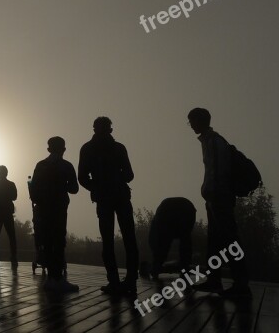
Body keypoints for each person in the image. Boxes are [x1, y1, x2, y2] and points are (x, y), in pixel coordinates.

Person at [187, 108, 251, 299]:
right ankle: (214, 280)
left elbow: (218, 171)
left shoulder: (213, 141)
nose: (190, 125)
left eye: (191, 121)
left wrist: (211, 193)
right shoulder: (211, 140)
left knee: (230, 240)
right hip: (215, 198)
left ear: (200, 120)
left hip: (219, 198)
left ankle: (241, 284)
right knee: (215, 242)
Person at [78, 116, 139, 295]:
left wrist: (96, 187)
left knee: (109, 240)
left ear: (94, 129)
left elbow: (82, 178)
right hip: (119, 196)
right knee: (128, 238)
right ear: (110, 129)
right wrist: (115, 180)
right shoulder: (118, 148)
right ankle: (130, 279)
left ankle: (115, 281)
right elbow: (129, 175)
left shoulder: (88, 149)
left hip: (105, 198)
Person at [30, 136, 80, 293]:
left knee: (46, 241)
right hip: (59, 210)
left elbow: (34, 191)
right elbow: (74, 189)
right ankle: (57, 278)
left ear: (48, 149)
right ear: (64, 149)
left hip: (44, 210)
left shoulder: (40, 165)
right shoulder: (66, 166)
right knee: (58, 242)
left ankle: (51, 279)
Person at [147, 197, 196, 279]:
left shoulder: (159, 225)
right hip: (188, 208)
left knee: (165, 242)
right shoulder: (158, 224)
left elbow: (162, 245)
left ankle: (156, 268)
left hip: (170, 210)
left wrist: (157, 264)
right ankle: (185, 270)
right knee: (185, 239)